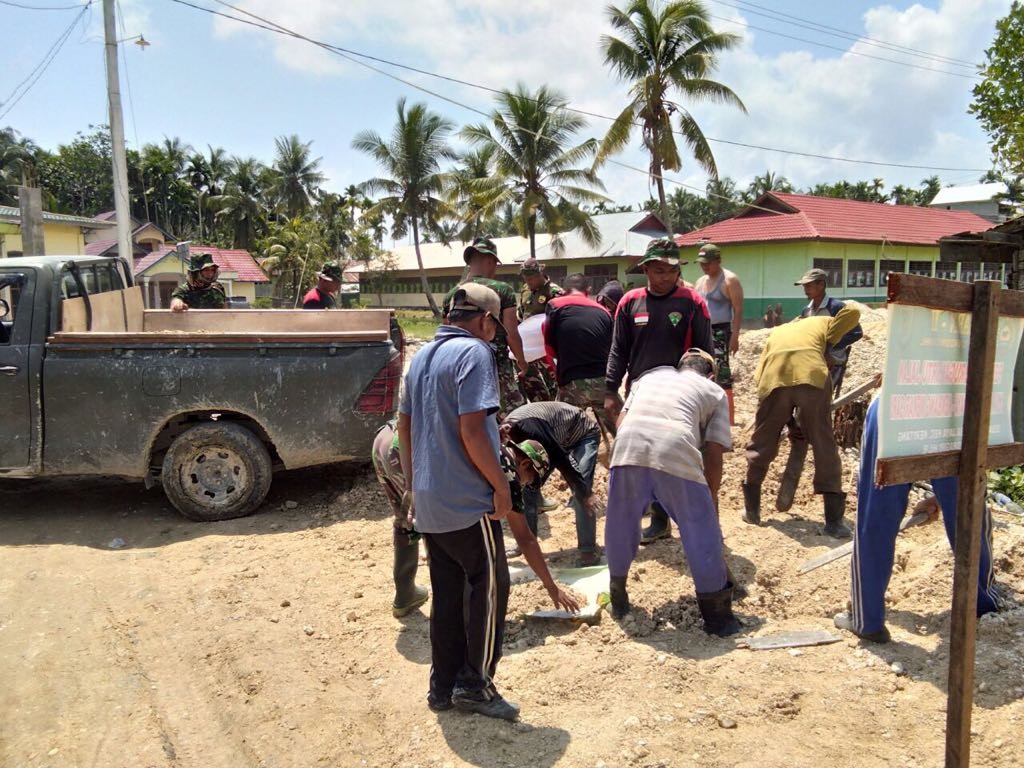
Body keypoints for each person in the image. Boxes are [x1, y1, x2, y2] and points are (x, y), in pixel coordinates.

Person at [398, 281, 577, 721]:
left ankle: (442, 687)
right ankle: (475, 685)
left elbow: (405, 426)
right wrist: (500, 487)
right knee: (487, 590)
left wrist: (413, 484)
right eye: (498, 323)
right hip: (465, 501)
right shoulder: (474, 353)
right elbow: (473, 429)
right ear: (485, 319)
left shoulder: (421, 358)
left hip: (430, 501)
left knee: (448, 593)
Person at [833, 397, 1002, 642]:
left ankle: (866, 620)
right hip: (956, 403)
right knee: (968, 505)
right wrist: (943, 495)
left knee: (876, 512)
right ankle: (983, 602)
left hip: (897, 401)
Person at [604, 348, 741, 636]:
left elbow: (621, 422)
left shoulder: (648, 378)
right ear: (710, 374)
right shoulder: (714, 391)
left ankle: (618, 597)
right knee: (699, 531)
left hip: (627, 446)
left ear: (680, 367)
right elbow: (714, 453)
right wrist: (709, 498)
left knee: (621, 523)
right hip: (675, 447)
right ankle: (718, 619)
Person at [605, 237, 714, 544]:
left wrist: (706, 392)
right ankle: (659, 519)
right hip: (641, 392)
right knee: (647, 455)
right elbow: (618, 350)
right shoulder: (630, 302)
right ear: (646, 269)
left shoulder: (692, 302)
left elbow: (706, 352)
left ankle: (695, 520)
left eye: (670, 270)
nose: (664, 276)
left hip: (681, 395)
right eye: (658, 270)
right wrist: (611, 389)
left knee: (684, 454)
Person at [743, 303, 861, 538]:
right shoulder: (824, 322)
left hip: (772, 378)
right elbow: (853, 312)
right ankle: (834, 523)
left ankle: (752, 512)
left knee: (762, 441)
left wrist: (786, 420)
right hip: (812, 375)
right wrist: (832, 341)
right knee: (823, 442)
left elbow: (761, 377)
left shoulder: (779, 332)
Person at [776, 269, 865, 514]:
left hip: (831, 363)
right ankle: (801, 429)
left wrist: (832, 347)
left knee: (818, 407)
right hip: (809, 365)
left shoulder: (837, 307)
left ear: (822, 285)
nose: (806, 289)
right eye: (804, 286)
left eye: (810, 285)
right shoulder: (807, 310)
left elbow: (856, 332)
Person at [502, 401, 603, 566]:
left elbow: (561, 458)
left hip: (582, 434)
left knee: (581, 489)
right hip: (554, 440)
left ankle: (588, 551)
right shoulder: (506, 439)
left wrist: (585, 492)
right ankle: (526, 542)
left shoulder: (530, 429)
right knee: (528, 489)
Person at [443, 236, 529, 419]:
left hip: (459, 367)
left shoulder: (453, 294)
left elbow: (446, 334)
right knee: (516, 419)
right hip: (496, 366)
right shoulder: (503, 290)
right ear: (490, 261)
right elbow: (511, 333)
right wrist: (522, 361)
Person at [544, 273, 616, 438]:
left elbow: (549, 346)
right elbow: (612, 348)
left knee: (561, 435)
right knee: (622, 431)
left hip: (572, 382)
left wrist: (560, 377)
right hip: (603, 382)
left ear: (564, 290)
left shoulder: (554, 305)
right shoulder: (604, 311)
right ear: (588, 290)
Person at [371, 419, 429, 618]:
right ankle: (448, 597)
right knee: (432, 518)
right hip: (404, 446)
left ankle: (405, 596)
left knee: (405, 518)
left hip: (384, 438)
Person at [693, 243, 744, 424]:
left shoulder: (729, 280)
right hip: (702, 330)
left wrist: (735, 336)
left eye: (708, 263)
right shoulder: (700, 282)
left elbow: (738, 310)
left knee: (722, 373)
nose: (704, 267)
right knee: (702, 372)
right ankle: (707, 414)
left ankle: (729, 420)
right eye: (702, 263)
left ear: (718, 260)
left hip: (721, 331)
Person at [517, 258, 563, 401]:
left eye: (532, 278)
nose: (529, 281)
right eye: (526, 278)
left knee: (552, 386)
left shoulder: (554, 291)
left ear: (541, 274)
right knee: (531, 384)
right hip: (528, 348)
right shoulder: (525, 290)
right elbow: (521, 313)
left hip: (546, 349)